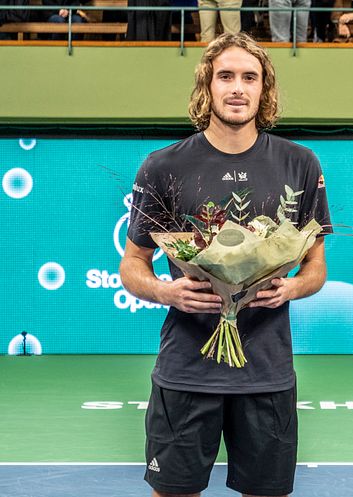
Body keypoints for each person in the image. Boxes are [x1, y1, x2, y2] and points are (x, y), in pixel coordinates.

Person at [120, 32, 331, 497]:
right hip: (186, 368)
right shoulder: (162, 165)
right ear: (207, 87)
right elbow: (133, 263)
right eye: (226, 76)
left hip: (267, 370)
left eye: (249, 77)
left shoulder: (299, 163)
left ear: (264, 89)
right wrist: (164, 291)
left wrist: (292, 287)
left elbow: (315, 266)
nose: (238, 87)